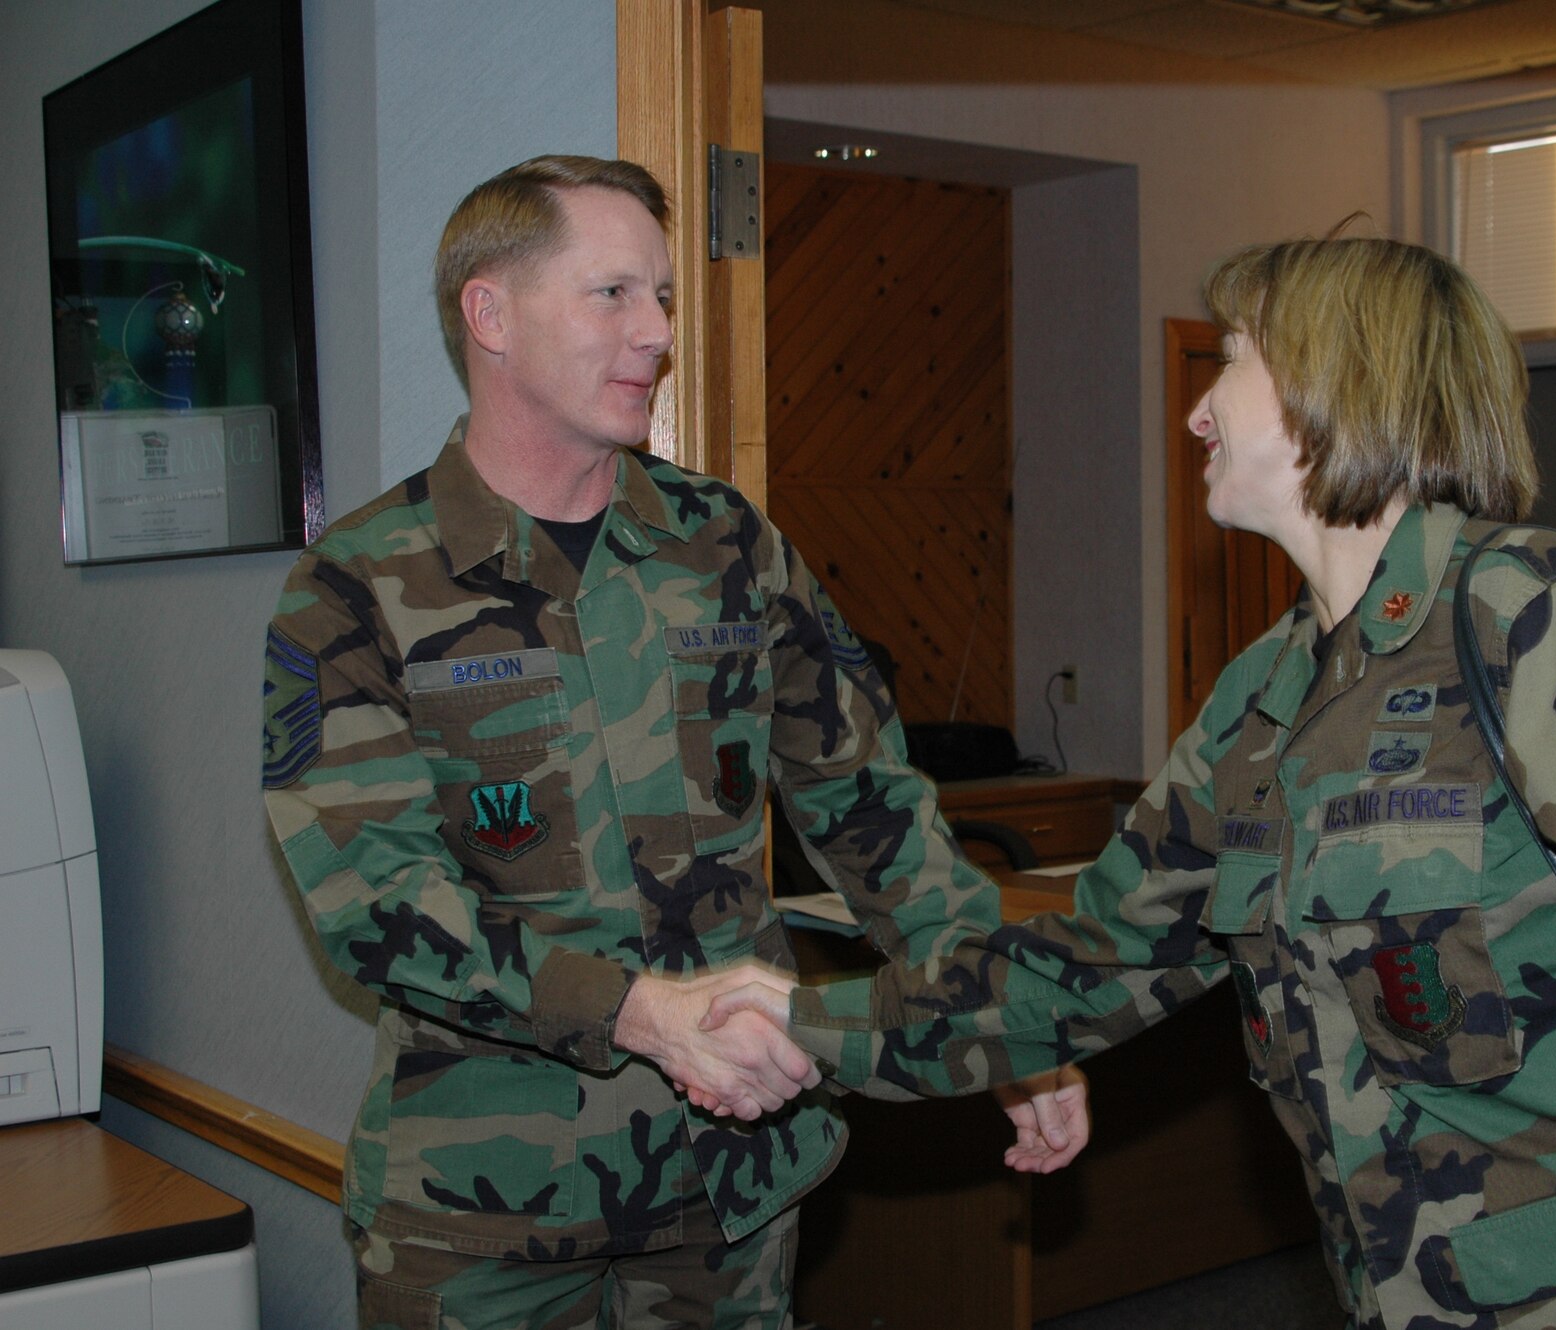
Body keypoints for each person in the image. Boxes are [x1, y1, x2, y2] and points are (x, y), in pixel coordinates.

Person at [724, 231, 1556, 1328]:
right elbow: (1089, 964)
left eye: (1230, 359)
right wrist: (791, 1025)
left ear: (1339, 382)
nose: (1196, 407)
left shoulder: (1538, 620)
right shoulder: (1263, 696)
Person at [260, 154, 1083, 1329]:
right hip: (486, 1212)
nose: (655, 331)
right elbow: (376, 907)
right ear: (488, 312)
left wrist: (990, 1017)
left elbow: (872, 805)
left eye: (662, 297)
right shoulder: (355, 585)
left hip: (727, 1192)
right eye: (613, 295)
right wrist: (639, 1013)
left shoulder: (726, 546)